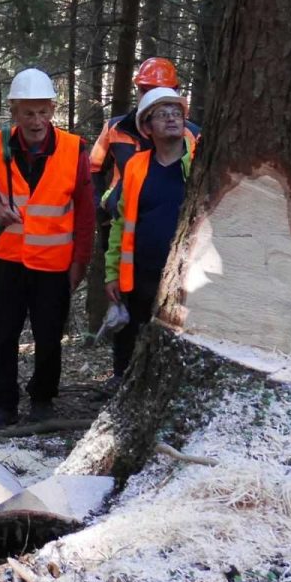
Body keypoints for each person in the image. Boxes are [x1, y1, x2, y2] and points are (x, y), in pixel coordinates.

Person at [0, 68, 95, 428]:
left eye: (43, 111)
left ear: (53, 110)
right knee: (5, 335)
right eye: (28, 112)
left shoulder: (74, 149)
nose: (37, 120)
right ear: (14, 111)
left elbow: (86, 214)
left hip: (54, 264)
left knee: (48, 337)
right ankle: (3, 404)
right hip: (9, 261)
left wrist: (80, 263)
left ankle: (43, 399)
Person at [103, 88, 196, 389]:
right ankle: (124, 389)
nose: (172, 118)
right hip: (140, 272)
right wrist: (112, 271)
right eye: (163, 114)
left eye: (176, 112)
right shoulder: (136, 166)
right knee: (131, 337)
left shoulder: (199, 161)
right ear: (147, 126)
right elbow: (120, 222)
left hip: (187, 276)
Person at [88, 57, 200, 208]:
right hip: (122, 216)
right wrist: (103, 204)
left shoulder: (192, 134)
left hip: (169, 214)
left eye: (158, 91)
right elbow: (94, 168)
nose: (151, 98)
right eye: (145, 91)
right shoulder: (115, 127)